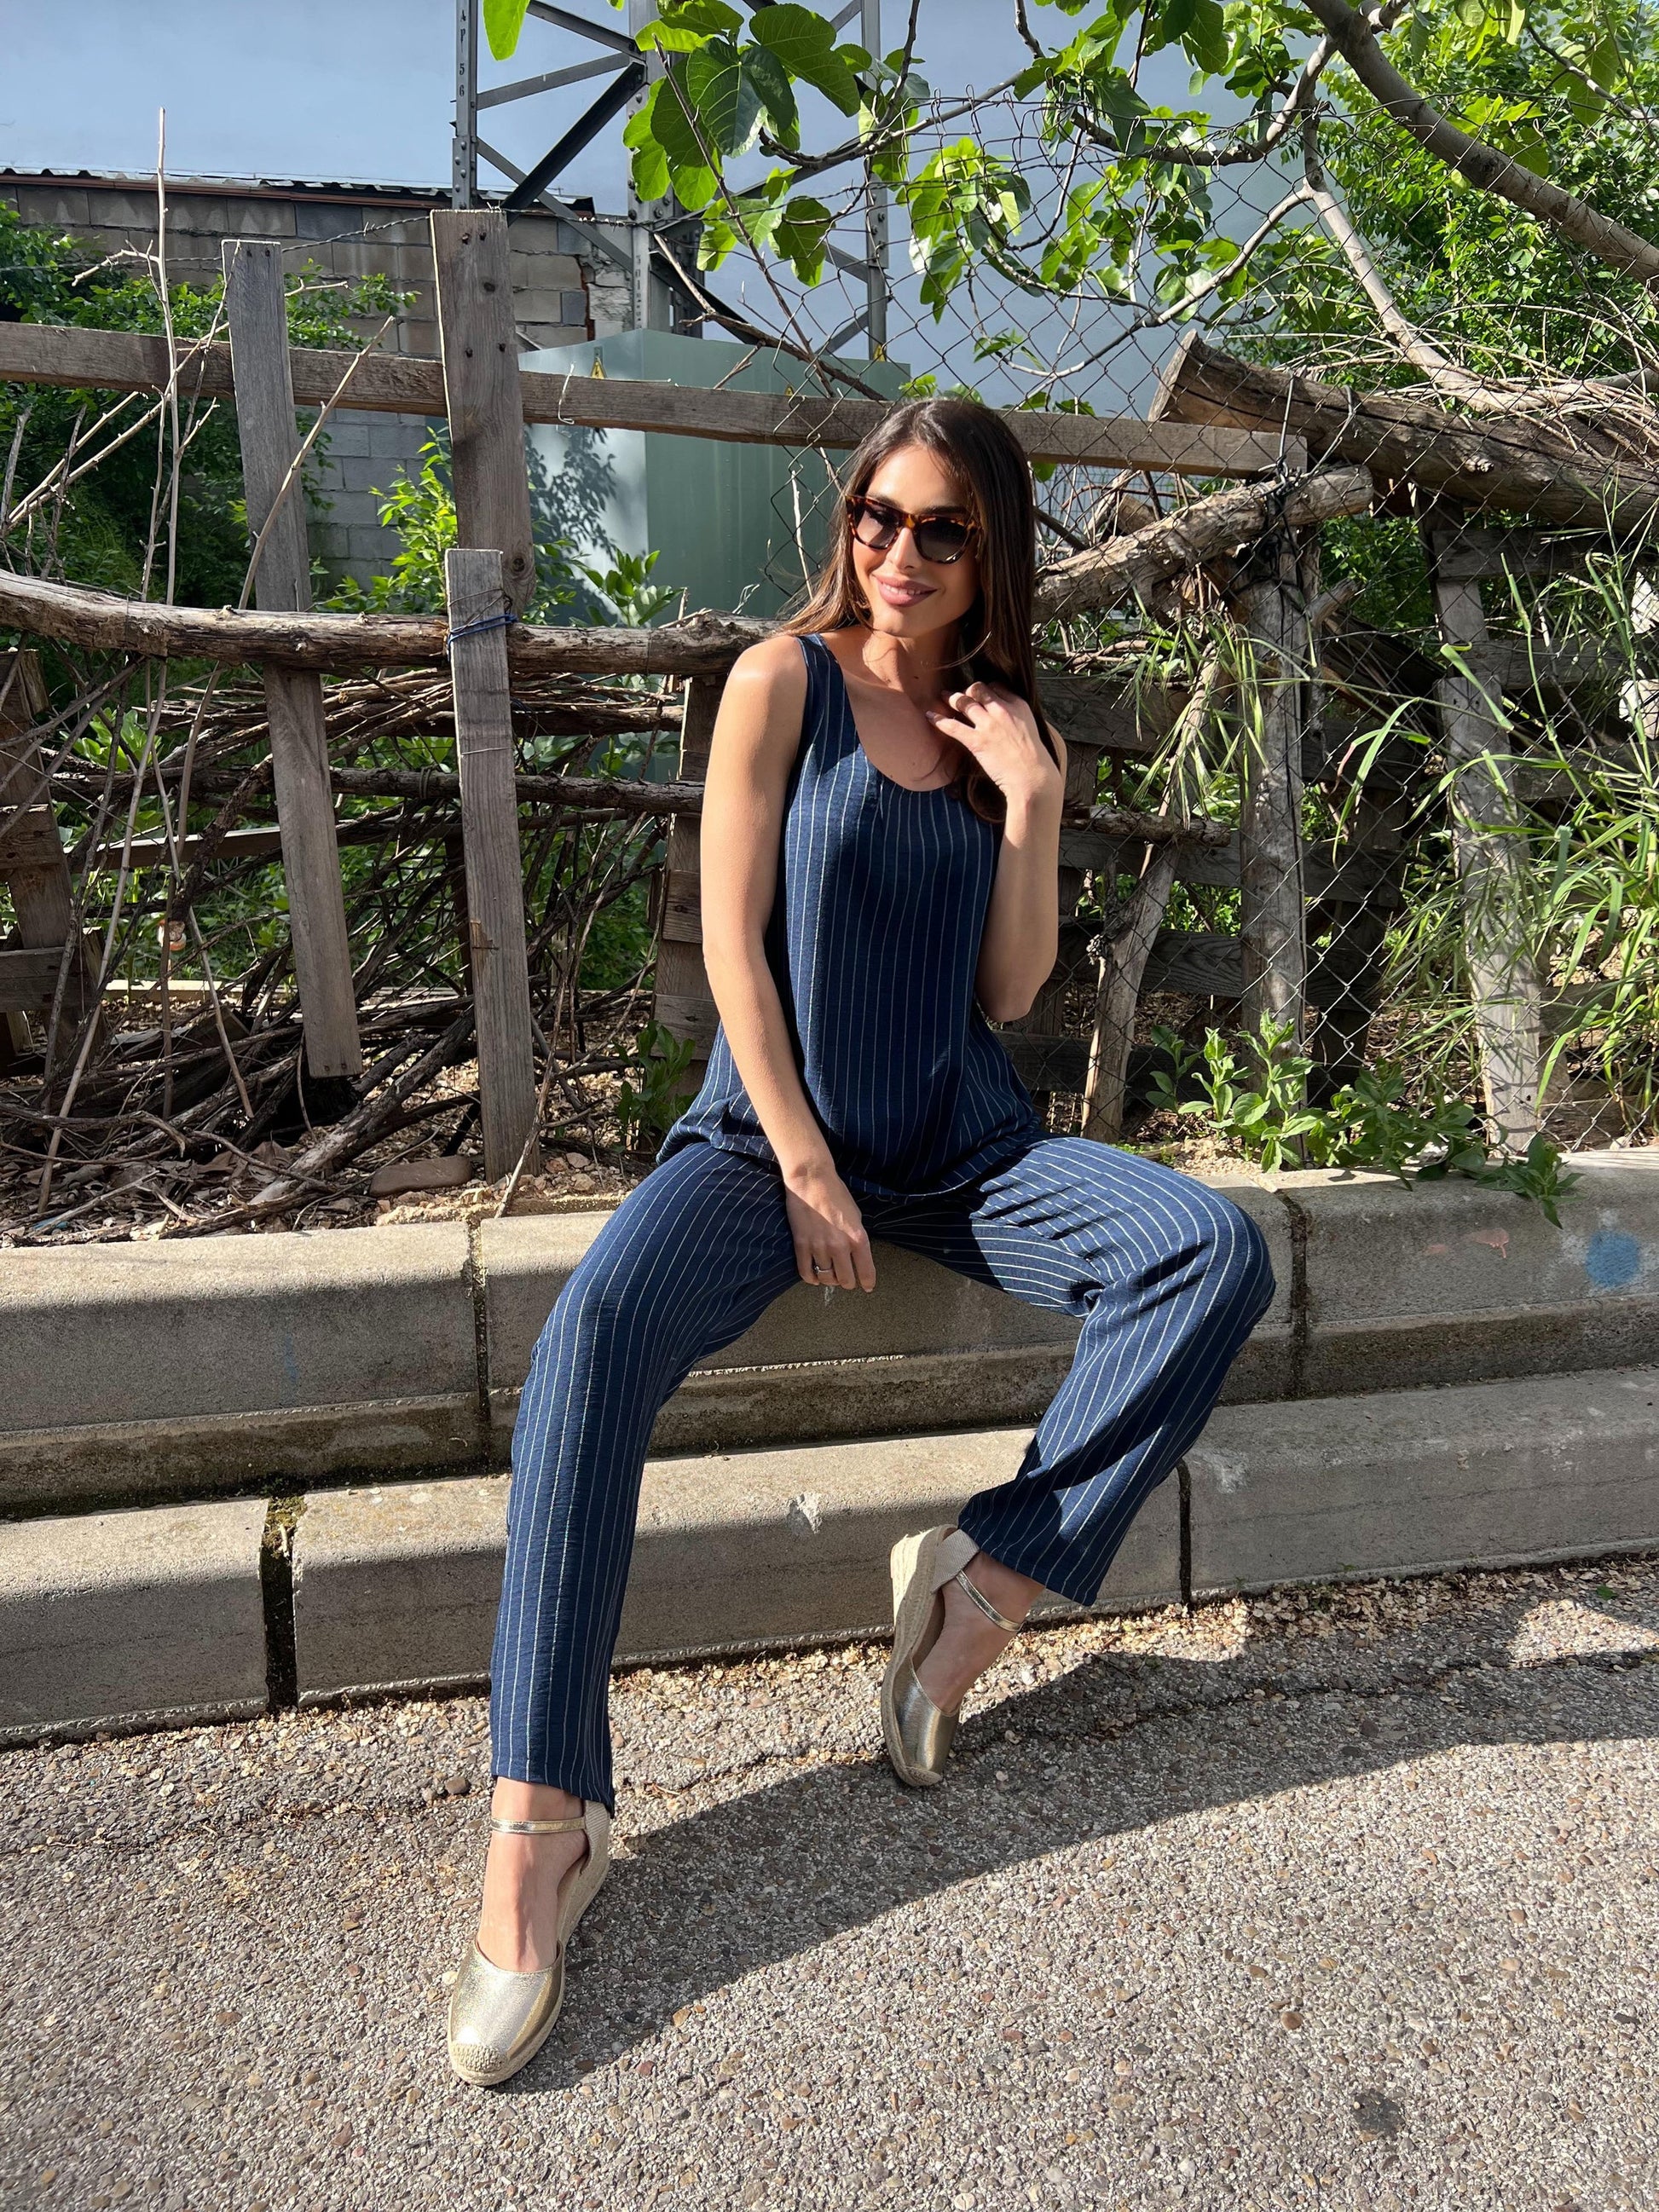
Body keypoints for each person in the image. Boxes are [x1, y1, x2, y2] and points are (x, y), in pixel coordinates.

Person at [445, 396, 1275, 2086]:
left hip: (962, 1148)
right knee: (595, 1327)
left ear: (993, 557)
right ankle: (542, 1820)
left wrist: (1029, 801)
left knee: (1211, 1251)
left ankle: (974, 1592)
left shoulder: (993, 717)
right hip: (767, 1141)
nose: (896, 554)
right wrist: (805, 1160)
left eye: (940, 530)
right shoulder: (782, 681)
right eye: (877, 518)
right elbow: (736, 956)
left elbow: (1009, 993)